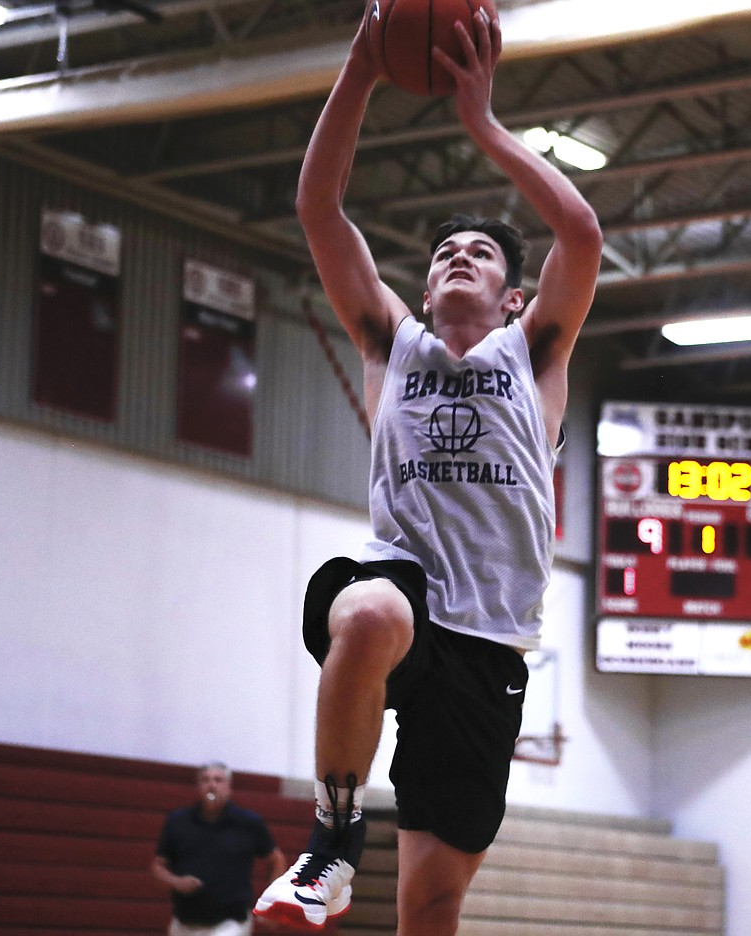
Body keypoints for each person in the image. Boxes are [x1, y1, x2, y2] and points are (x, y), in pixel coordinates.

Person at [253, 7, 601, 936]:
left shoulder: (536, 358)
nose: (458, 257)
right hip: (402, 587)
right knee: (367, 611)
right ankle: (330, 842)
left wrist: (485, 126)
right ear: (422, 287)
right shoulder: (390, 346)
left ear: (512, 297)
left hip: (488, 641)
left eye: (480, 253)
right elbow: (320, 209)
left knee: (432, 903)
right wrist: (362, 70)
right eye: (445, 251)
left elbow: (581, 234)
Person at [153, 761, 287, 936]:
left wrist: (273, 901)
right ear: (198, 786)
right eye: (205, 780)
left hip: (231, 923)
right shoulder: (178, 821)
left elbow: (276, 859)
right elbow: (158, 866)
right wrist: (176, 882)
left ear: (229, 787)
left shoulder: (248, 823)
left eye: (218, 780)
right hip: (184, 922)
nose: (211, 785)